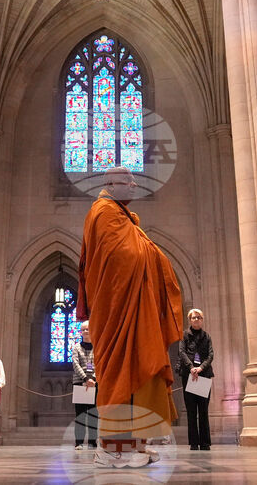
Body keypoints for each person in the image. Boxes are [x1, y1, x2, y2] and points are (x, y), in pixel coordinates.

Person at [76, 166, 183, 469]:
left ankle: (134, 443)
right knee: (121, 377)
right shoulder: (104, 213)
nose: (135, 184)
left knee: (141, 370)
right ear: (111, 184)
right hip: (116, 311)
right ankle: (112, 448)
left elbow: (136, 252)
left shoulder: (123, 218)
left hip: (134, 309)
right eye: (129, 181)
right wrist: (153, 257)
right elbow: (122, 260)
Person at [178, 308, 214, 451]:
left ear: (202, 320)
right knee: (191, 411)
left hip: (203, 375)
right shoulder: (184, 336)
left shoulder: (207, 336)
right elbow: (181, 352)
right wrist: (191, 367)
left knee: (203, 410)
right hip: (189, 376)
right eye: (194, 318)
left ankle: (205, 443)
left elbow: (211, 355)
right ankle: (194, 443)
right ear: (190, 320)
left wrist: (200, 368)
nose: (197, 320)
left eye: (199, 317)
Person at [72, 321, 98, 450]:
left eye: (88, 329)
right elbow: (75, 364)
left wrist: (93, 378)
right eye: (83, 330)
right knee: (80, 414)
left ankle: (93, 441)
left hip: (94, 383)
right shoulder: (76, 347)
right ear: (80, 332)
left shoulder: (97, 347)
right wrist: (85, 378)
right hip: (80, 382)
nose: (86, 331)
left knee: (94, 413)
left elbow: (99, 363)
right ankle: (79, 442)